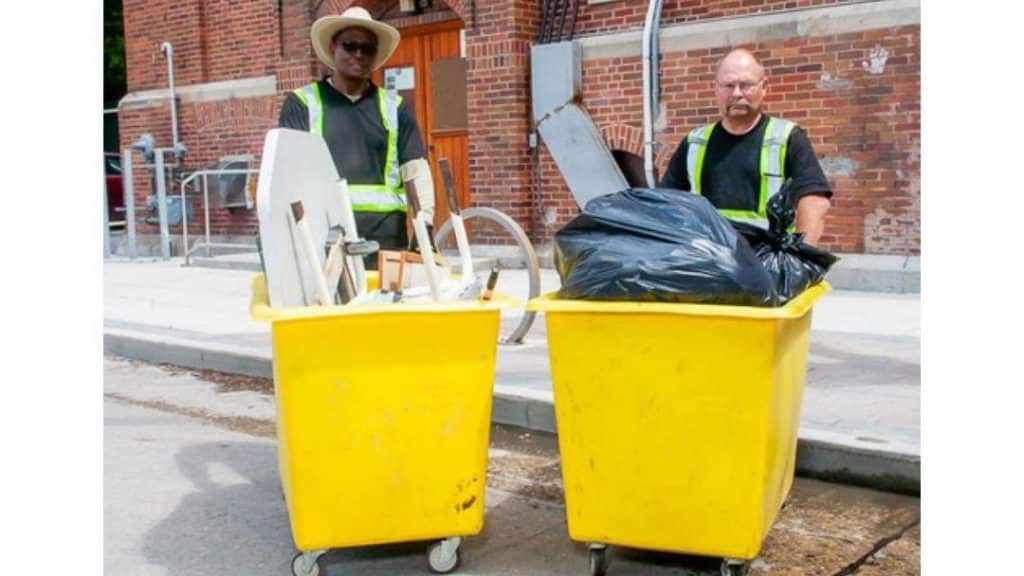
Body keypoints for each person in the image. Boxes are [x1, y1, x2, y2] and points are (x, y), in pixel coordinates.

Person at [278, 7, 435, 268]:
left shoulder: (394, 107)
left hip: (386, 239)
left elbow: (416, 172)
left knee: (386, 308)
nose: (359, 55)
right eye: (350, 46)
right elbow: (290, 175)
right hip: (325, 236)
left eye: (368, 49)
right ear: (333, 48)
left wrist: (425, 228)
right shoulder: (302, 103)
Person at [660, 48, 832, 245]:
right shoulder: (694, 143)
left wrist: (800, 262)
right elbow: (667, 204)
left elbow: (814, 202)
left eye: (746, 85)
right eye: (728, 85)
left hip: (767, 266)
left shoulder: (787, 138)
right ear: (715, 88)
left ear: (764, 87)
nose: (737, 93)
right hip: (710, 264)